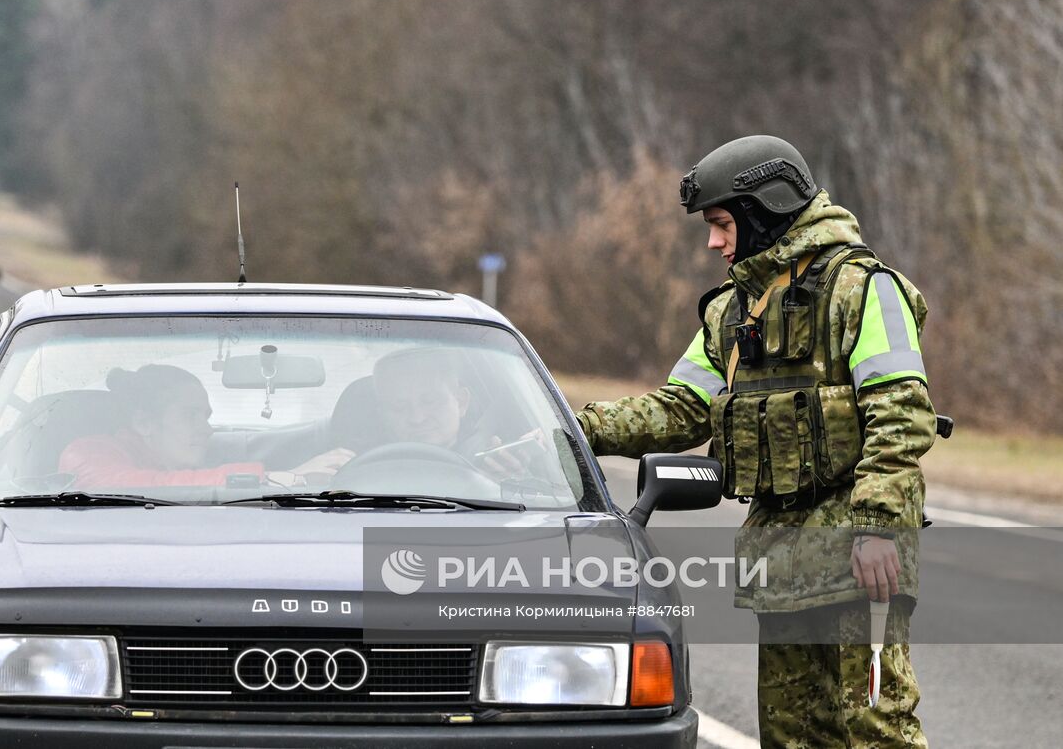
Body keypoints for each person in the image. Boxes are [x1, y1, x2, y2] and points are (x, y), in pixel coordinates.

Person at [575, 135, 935, 747]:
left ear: (762, 210)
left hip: (858, 553)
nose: (713, 242)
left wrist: (878, 529)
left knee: (876, 730)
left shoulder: (863, 289)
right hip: (781, 556)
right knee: (792, 734)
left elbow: (902, 414)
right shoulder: (734, 312)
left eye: (720, 224)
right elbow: (681, 407)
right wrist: (569, 426)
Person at [60, 364, 352, 489]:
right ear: (144, 423)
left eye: (207, 416)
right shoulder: (87, 453)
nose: (207, 429)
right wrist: (281, 478)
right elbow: (136, 488)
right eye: (191, 416)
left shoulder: (177, 467)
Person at [372, 348, 536, 479]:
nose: (417, 418)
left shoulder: (492, 463)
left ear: (461, 402)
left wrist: (512, 483)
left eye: (430, 401)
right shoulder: (360, 471)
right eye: (399, 407)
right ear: (383, 416)